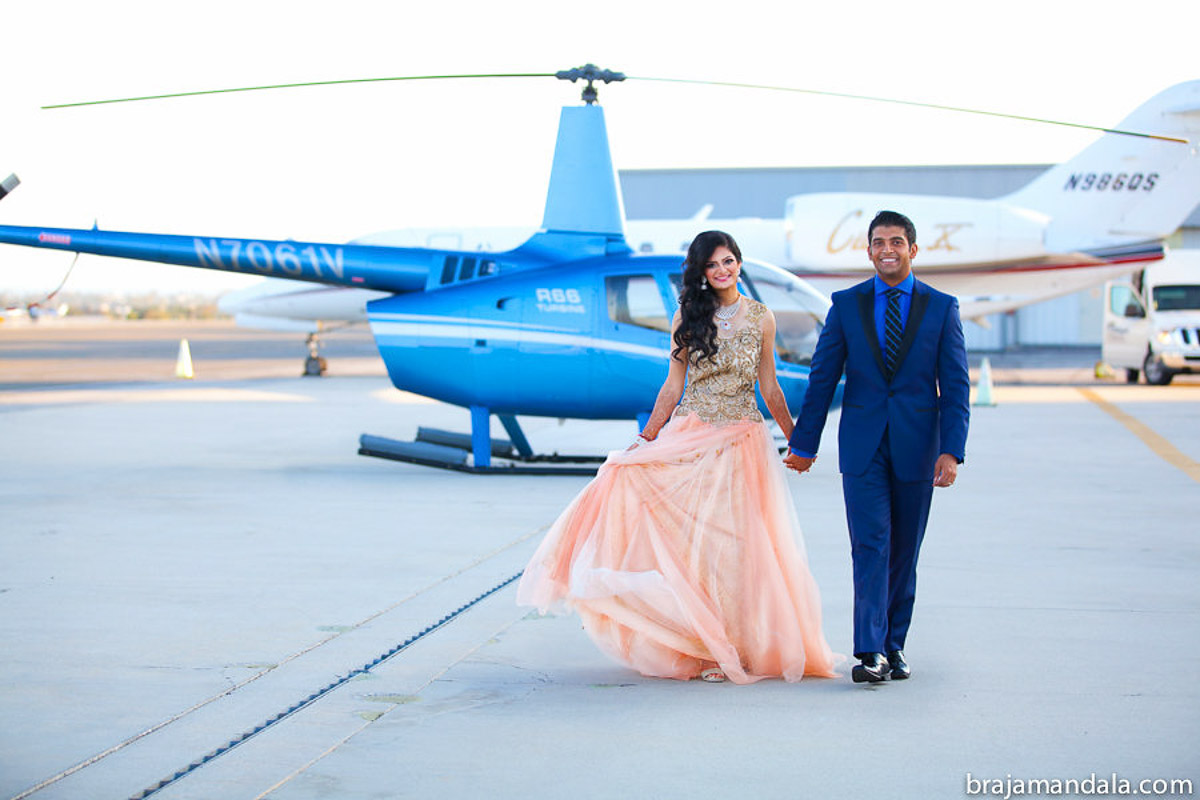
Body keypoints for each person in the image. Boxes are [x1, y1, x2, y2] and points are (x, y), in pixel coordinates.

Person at [517, 230, 838, 684]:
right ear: (702, 273)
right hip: (692, 434)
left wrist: (798, 441)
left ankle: (740, 647)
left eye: (729, 261)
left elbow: (769, 386)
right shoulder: (687, 316)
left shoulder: (762, 317)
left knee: (739, 551)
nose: (723, 270)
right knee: (694, 547)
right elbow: (673, 385)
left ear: (739, 264)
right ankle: (707, 650)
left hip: (743, 442)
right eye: (713, 265)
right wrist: (648, 437)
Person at [784, 210, 970, 683]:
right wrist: (805, 443)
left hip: (918, 446)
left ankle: (895, 644)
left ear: (913, 249)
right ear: (869, 251)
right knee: (870, 546)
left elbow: (956, 385)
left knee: (904, 550)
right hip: (863, 446)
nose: (888, 249)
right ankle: (869, 652)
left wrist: (951, 450)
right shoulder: (846, 305)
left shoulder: (941, 307)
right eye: (879, 242)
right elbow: (823, 376)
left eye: (897, 241)